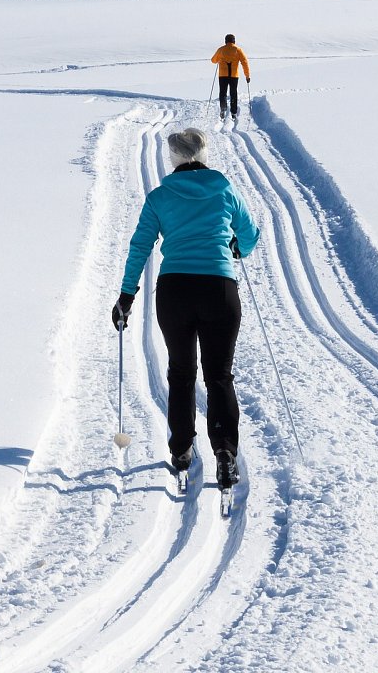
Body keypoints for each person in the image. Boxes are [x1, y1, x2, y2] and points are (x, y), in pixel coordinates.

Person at [112, 128, 260, 490]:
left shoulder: (161, 196)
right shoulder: (224, 188)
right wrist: (237, 247)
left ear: (172, 158)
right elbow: (250, 234)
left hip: (175, 291)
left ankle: (181, 450)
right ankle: (225, 454)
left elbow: (139, 248)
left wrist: (126, 297)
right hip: (219, 289)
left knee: (181, 372)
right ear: (204, 153)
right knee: (219, 375)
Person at [210, 34, 250, 120]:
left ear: (225, 41)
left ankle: (223, 109)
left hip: (222, 75)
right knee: (233, 93)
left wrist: (219, 59)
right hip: (234, 76)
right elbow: (244, 62)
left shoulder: (221, 49)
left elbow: (213, 60)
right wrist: (247, 76)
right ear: (234, 41)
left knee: (223, 93)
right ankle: (234, 112)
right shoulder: (238, 50)